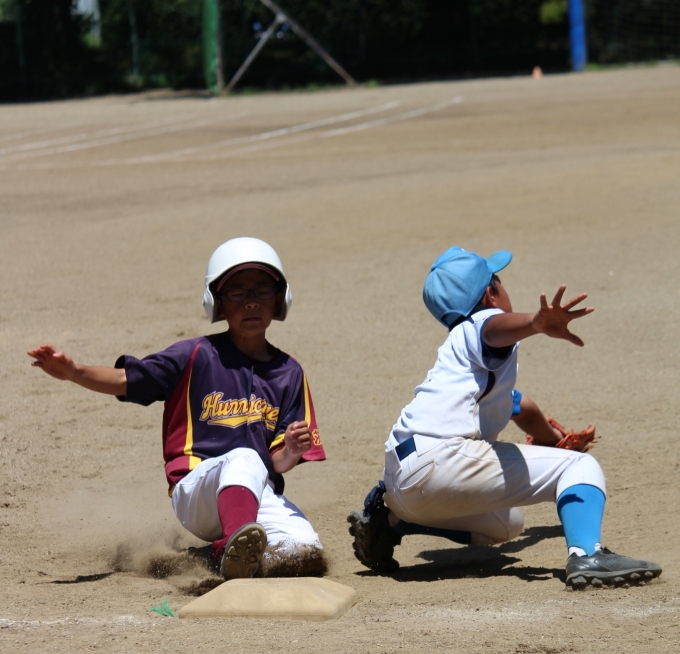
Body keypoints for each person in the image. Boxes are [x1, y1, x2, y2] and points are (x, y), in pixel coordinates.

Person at [348, 246, 661, 588]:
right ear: (490, 294)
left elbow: (523, 409)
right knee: (580, 467)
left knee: (506, 524)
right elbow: (493, 328)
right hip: (442, 458)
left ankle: (391, 521)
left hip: (401, 481)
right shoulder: (480, 326)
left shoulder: (464, 370)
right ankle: (588, 555)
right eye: (498, 279)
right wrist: (535, 323)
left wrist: (556, 443)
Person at [28, 237, 327, 581]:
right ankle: (231, 549)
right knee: (244, 458)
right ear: (217, 302)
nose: (251, 302)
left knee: (305, 549)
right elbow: (127, 380)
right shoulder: (194, 355)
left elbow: (276, 463)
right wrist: (74, 372)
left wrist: (291, 451)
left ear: (278, 299)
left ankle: (225, 552)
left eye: (262, 291)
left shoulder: (289, 372)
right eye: (237, 292)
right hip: (196, 492)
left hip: (255, 492)